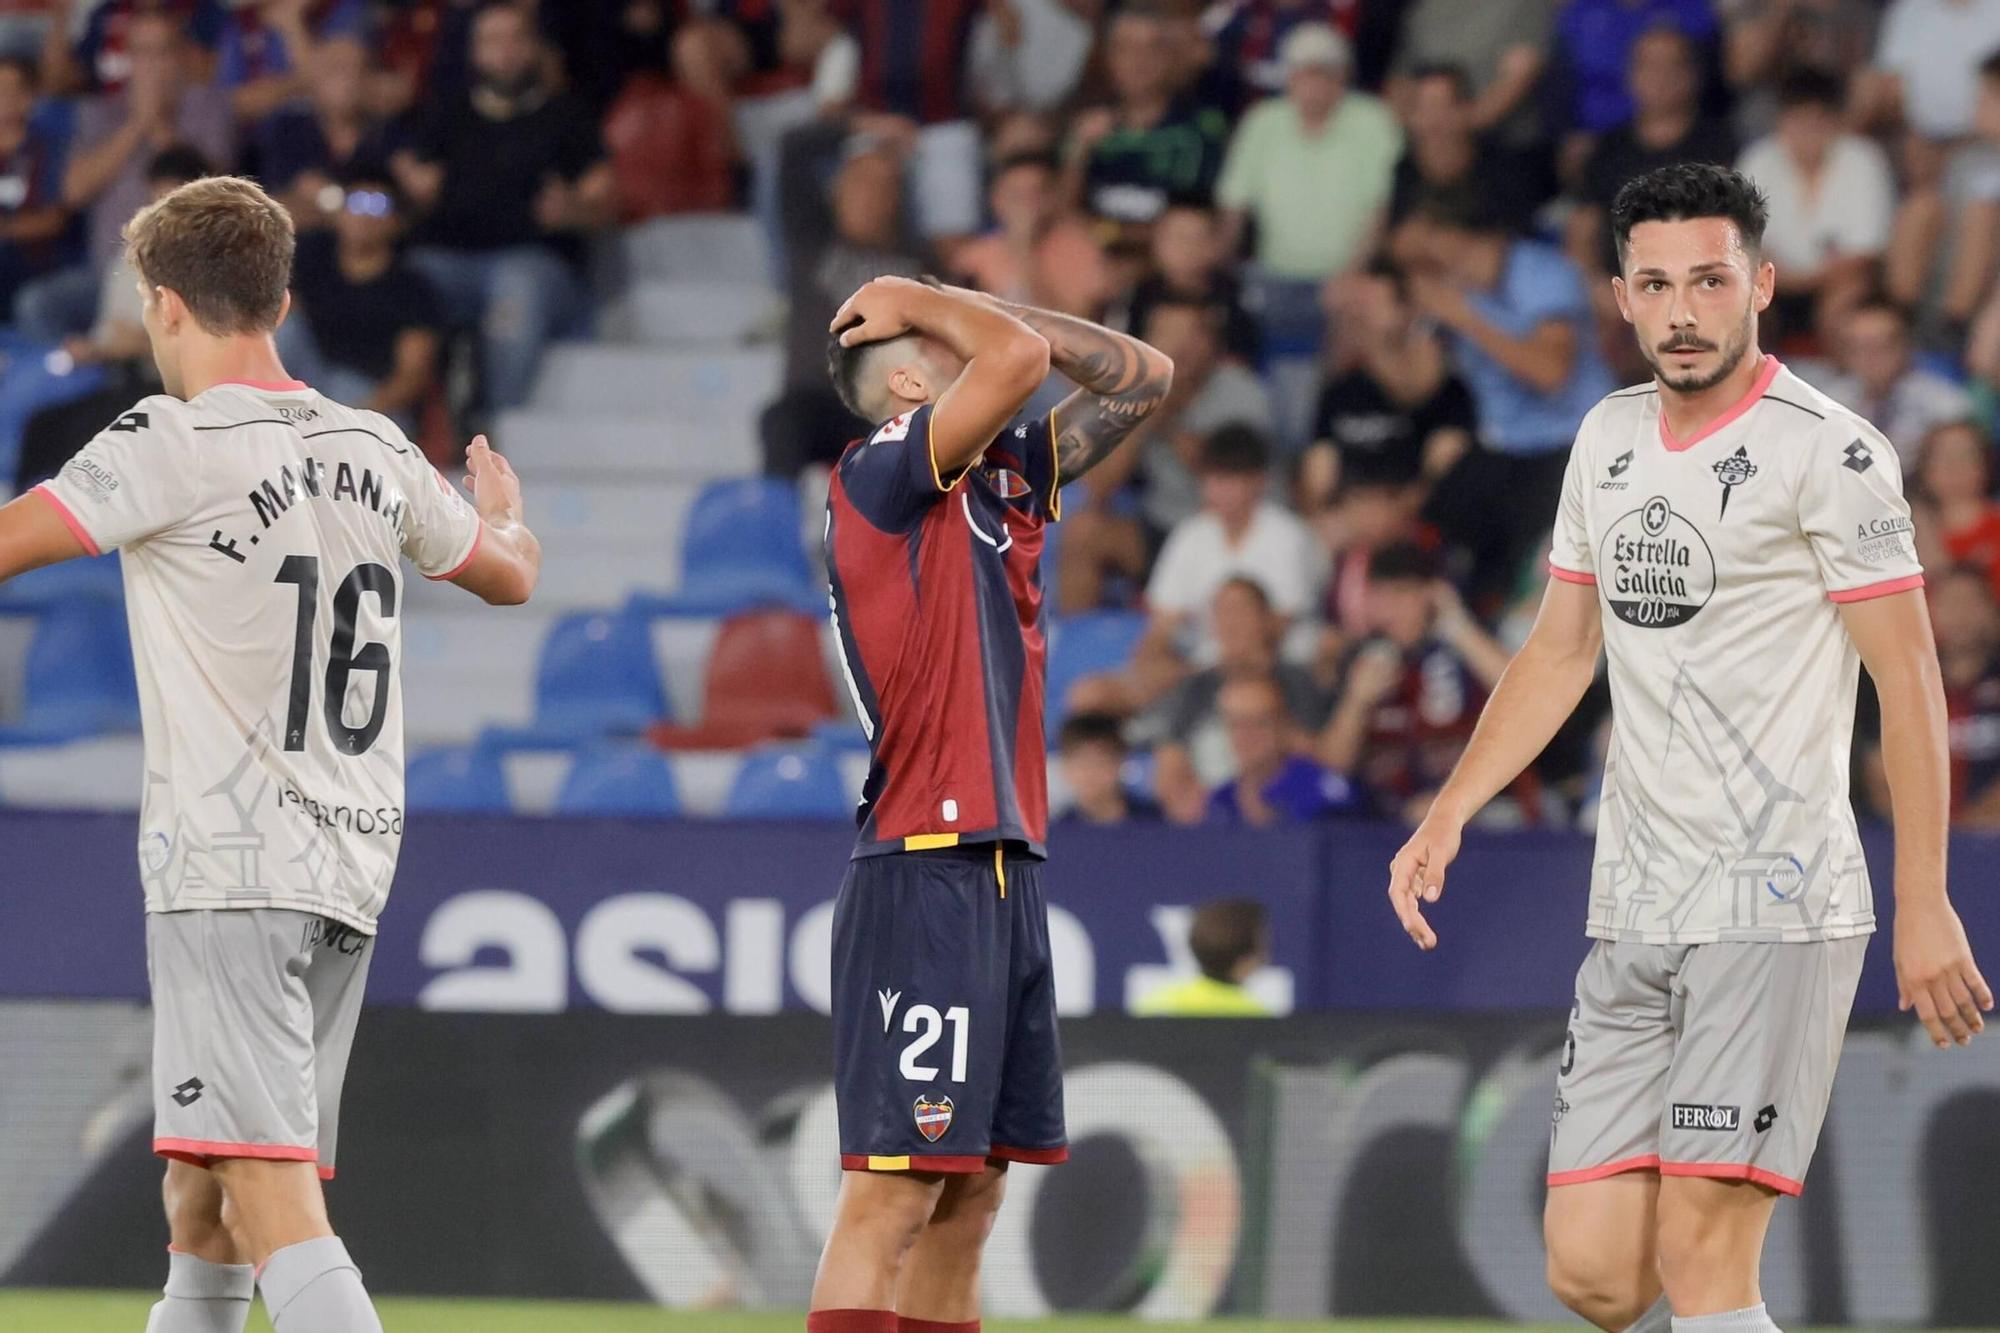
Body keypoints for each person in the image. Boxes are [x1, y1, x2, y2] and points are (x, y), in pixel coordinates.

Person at [1388, 163, 1990, 1333]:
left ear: (1758, 284)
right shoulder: (1604, 439)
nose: (1680, 310)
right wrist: (1449, 807)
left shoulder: (1831, 452)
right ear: (1618, 296)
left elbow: (1905, 679)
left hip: (1773, 902)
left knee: (1705, 1260)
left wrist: (1924, 897)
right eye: (1654, 284)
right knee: (1597, 1274)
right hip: (1633, 901)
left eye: (1708, 281)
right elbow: (1559, 654)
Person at [0, 175, 541, 1332]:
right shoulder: (376, 446)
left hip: (231, 865)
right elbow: (509, 573)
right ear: (283, 300)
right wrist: (504, 515)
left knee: (261, 1183)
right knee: (201, 1196)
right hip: (348, 862)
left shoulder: (166, 439)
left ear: (162, 306)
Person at [813, 273, 1171, 1333]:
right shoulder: (879, 474)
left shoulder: (1001, 478)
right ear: (915, 380)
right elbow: (1013, 360)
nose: (994, 355)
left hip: (1005, 864)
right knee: (892, 1189)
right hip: (923, 861)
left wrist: (943, 296)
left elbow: (1144, 378)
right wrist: (911, 291)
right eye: (951, 345)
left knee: (972, 1192)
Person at [390, 0, 614, 416]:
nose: (506, 50)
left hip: (533, 260)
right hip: (448, 257)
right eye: (493, 40)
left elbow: (606, 200)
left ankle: (495, 435)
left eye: (516, 38)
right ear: (475, 52)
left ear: (534, 47)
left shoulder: (566, 114)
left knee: (515, 294)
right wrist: (413, 186)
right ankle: (410, 428)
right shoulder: (448, 113)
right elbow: (407, 174)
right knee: (402, 282)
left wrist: (574, 208)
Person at [1403, 193, 1616, 599]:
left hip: (1572, 440)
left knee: (1532, 564)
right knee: (1433, 532)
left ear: (1490, 239)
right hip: (1504, 445)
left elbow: (1550, 373)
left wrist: (1466, 317)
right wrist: (1383, 332)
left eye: (1460, 253)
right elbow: (1416, 387)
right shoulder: (1452, 289)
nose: (1454, 267)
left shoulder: (1544, 274)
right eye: (1443, 259)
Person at [18, 11, 233, 342]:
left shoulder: (209, 107)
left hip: (184, 277)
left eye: (162, 51)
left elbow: (210, 196)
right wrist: (137, 123)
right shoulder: (98, 111)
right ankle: (88, 380)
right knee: (38, 304)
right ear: (128, 58)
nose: (152, 64)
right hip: (106, 273)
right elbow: (73, 191)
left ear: (181, 56)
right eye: (142, 52)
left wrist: (159, 123)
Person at [1216, 23, 1402, 350]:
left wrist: (1353, 274)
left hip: (1351, 277)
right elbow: (1233, 209)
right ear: (1288, 76)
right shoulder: (1262, 121)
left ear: (1344, 75)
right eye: (1304, 71)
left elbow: (1382, 210)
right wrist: (1218, 276)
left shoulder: (1374, 120)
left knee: (1367, 316)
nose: (1314, 82)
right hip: (1270, 275)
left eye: (1325, 71)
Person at [1318, 543, 1511, 823]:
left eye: (1400, 595)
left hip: (1471, 807)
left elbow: (1529, 700)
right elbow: (1331, 766)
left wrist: (1459, 628)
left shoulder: (1467, 645)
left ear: (1431, 594)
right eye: (1378, 597)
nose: (1388, 611)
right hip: (1380, 819)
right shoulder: (1360, 657)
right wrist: (1356, 703)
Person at [1144, 575, 1330, 823]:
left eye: (1241, 609)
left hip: (1286, 816)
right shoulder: (1195, 687)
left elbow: (1314, 755)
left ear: (1266, 618)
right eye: (1222, 612)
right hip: (1210, 822)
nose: (1232, 622)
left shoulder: (1296, 681)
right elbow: (1168, 766)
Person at [1733, 68, 1893, 347]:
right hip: (1770, 286)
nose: (1807, 132)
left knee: (1847, 295)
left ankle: (1844, 387)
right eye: (1797, 120)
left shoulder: (1863, 160)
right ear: (1780, 121)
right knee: (1737, 301)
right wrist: (1781, 278)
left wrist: (1797, 280)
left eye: (1817, 121)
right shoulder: (1758, 160)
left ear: (1835, 122)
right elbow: (1741, 243)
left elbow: (1862, 256)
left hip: (1838, 288)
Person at [276, 171, 442, 430]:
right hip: (307, 384)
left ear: (396, 221)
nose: (364, 216)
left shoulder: (412, 286)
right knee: (284, 327)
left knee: (346, 390)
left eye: (378, 206)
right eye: (355, 202)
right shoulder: (313, 259)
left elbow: (413, 374)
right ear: (340, 214)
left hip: (371, 396)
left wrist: (354, 415)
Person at [1568, 26, 1737, 282]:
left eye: (1672, 66)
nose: (1661, 77)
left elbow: (1735, 232)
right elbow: (1582, 231)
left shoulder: (1720, 144)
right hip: (1619, 294)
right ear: (1631, 75)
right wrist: (1597, 288)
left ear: (1693, 74)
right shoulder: (1608, 147)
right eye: (1649, 66)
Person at [1068, 5, 1229, 241]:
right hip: (1090, 264)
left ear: (1170, 57)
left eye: (1152, 48)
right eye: (1126, 48)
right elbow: (1061, 218)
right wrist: (1078, 152)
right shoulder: (1087, 124)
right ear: (1109, 57)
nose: (1138, 60)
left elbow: (1193, 227)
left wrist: (1109, 234)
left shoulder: (1200, 129)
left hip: (1166, 270)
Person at [1814, 300, 1971, 462]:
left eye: (1881, 345)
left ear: (1905, 345)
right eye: (1859, 348)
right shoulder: (1830, 402)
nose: (1870, 358)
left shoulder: (1945, 404)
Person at [1205, 671, 1361, 827]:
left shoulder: (1323, 792)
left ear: (1285, 725)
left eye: (1259, 722)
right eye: (1235, 724)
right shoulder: (1220, 801)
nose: (1246, 735)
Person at [1132, 898, 1275, 1016]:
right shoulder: (1258, 1019)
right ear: (1245, 960)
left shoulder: (1156, 1007)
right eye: (1262, 944)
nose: (1266, 955)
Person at [1911, 419, 2000, 602]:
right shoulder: (1907, 533)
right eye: (1942, 457)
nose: (1953, 466)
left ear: (1984, 464)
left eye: (1964, 456)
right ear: (1926, 468)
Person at [1054, 711, 1163, 826]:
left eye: (1100, 763)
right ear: (1065, 767)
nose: (1091, 774)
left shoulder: (1156, 822)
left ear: (1120, 761)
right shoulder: (1056, 831)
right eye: (1081, 764)